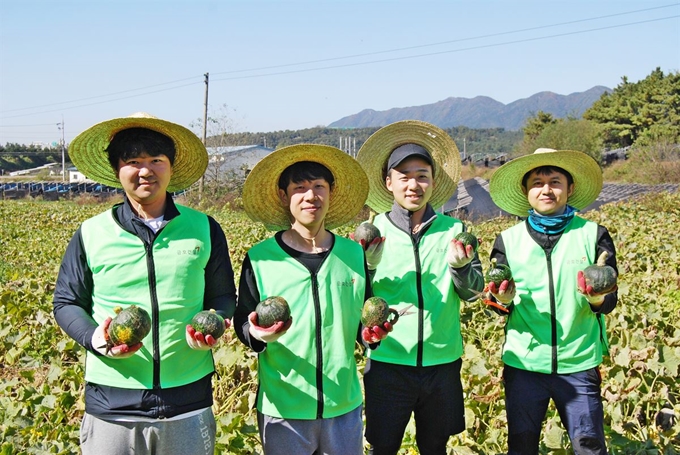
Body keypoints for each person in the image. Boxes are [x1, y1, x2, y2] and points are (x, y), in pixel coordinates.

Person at [52, 113, 237, 455]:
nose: (145, 170)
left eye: (156, 160)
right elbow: (66, 302)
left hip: (188, 399)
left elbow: (224, 295)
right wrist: (97, 339)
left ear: (170, 166)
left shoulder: (204, 228)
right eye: (133, 161)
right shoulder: (92, 233)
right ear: (117, 170)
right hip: (112, 404)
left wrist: (214, 325)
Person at [234, 144, 390, 455]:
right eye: (300, 188)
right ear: (284, 196)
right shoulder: (262, 259)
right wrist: (256, 335)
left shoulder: (353, 255)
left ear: (330, 193)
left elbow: (364, 319)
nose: (311, 196)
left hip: (343, 404)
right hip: (283, 408)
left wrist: (372, 335)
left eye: (319, 186)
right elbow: (242, 321)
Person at [355, 120, 485, 455]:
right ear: (389, 182)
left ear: (433, 181)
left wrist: (460, 269)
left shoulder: (455, 229)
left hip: (441, 363)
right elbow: (356, 299)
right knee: (382, 447)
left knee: (435, 446)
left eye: (422, 175)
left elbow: (473, 292)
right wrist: (367, 265)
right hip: (387, 364)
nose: (414, 184)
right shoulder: (370, 232)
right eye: (404, 175)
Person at [487, 148, 618, 455]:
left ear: (569, 188)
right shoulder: (508, 240)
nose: (546, 189)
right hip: (524, 364)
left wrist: (598, 298)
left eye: (555, 181)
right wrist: (501, 299)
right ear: (526, 190)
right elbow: (496, 303)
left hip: (579, 361)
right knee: (521, 446)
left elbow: (610, 299)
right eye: (537, 182)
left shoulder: (593, 235)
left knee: (589, 446)